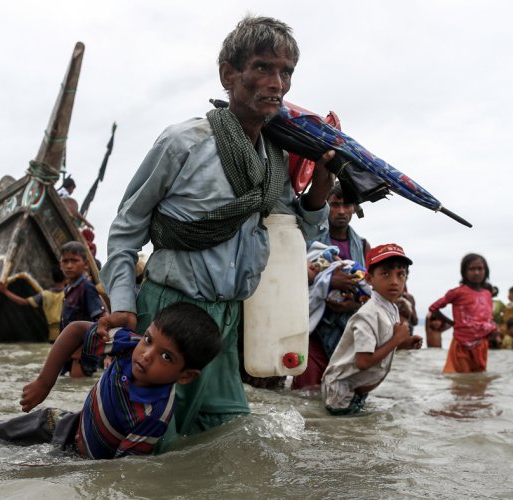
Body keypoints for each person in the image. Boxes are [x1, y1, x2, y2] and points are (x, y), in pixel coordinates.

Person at [99, 16, 336, 446]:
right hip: (170, 314)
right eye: (263, 67)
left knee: (225, 439)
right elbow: (126, 227)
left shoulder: (274, 161)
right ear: (229, 73)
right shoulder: (183, 142)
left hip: (228, 321)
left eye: (285, 73)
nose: (276, 83)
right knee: (150, 447)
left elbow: (291, 230)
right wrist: (121, 303)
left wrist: (319, 193)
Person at [0, 302, 222, 460]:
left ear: (185, 376)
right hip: (65, 423)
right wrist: (45, 382)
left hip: (81, 457)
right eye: (150, 340)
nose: (148, 355)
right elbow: (73, 332)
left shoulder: (154, 416)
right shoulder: (128, 344)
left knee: (10, 474)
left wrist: (62, 468)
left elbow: (123, 469)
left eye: (166, 357)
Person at [320, 243, 423, 415]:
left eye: (400, 274)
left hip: (356, 388)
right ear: (369, 280)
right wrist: (396, 340)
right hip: (341, 390)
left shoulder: (391, 309)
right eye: (385, 274)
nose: (394, 281)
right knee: (340, 434)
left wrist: (404, 343)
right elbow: (363, 362)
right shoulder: (367, 315)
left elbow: (381, 344)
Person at [292, 182, 371, 390]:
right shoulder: (308, 241)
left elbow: (370, 287)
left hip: (347, 331)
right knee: (306, 392)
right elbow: (291, 281)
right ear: (326, 206)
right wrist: (329, 283)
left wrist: (353, 304)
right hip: (313, 330)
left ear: (354, 208)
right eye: (335, 205)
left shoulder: (362, 245)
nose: (342, 211)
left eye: (347, 205)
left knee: (342, 392)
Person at [429, 253, 497, 373]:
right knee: (462, 380)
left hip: (481, 344)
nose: (476, 272)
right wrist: (451, 322)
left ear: (486, 271)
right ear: (464, 272)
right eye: (472, 269)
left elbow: (488, 317)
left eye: (480, 269)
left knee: (479, 380)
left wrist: (493, 330)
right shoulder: (458, 292)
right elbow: (434, 308)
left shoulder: (487, 294)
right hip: (462, 343)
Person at [58, 241, 107, 376]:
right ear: (60, 264)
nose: (69, 266)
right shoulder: (69, 288)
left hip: (81, 354)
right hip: (69, 350)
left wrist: (81, 349)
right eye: (65, 261)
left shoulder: (86, 287)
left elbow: (102, 319)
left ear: (85, 264)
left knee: (77, 385)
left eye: (74, 261)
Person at [0, 267, 66, 343]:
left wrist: (5, 291)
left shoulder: (44, 295)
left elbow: (23, 302)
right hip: (67, 333)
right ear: (65, 278)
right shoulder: (70, 292)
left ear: (53, 279)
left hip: (53, 336)